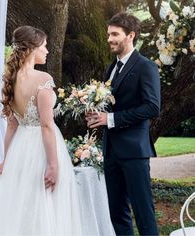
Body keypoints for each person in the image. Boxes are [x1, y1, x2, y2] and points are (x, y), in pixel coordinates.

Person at [0, 25, 83, 236]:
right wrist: (53, 164)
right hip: (41, 148)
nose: (47, 51)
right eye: (44, 46)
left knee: (20, 202)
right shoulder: (43, 79)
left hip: (20, 148)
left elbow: (12, 125)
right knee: (44, 201)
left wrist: (6, 159)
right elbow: (46, 126)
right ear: (32, 48)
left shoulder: (11, 79)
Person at [86, 12, 160, 236]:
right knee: (117, 213)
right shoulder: (111, 68)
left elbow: (152, 107)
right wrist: (96, 113)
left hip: (134, 151)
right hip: (111, 151)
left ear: (131, 36)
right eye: (109, 34)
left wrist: (110, 119)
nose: (109, 39)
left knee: (143, 213)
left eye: (115, 34)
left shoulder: (146, 66)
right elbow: (112, 104)